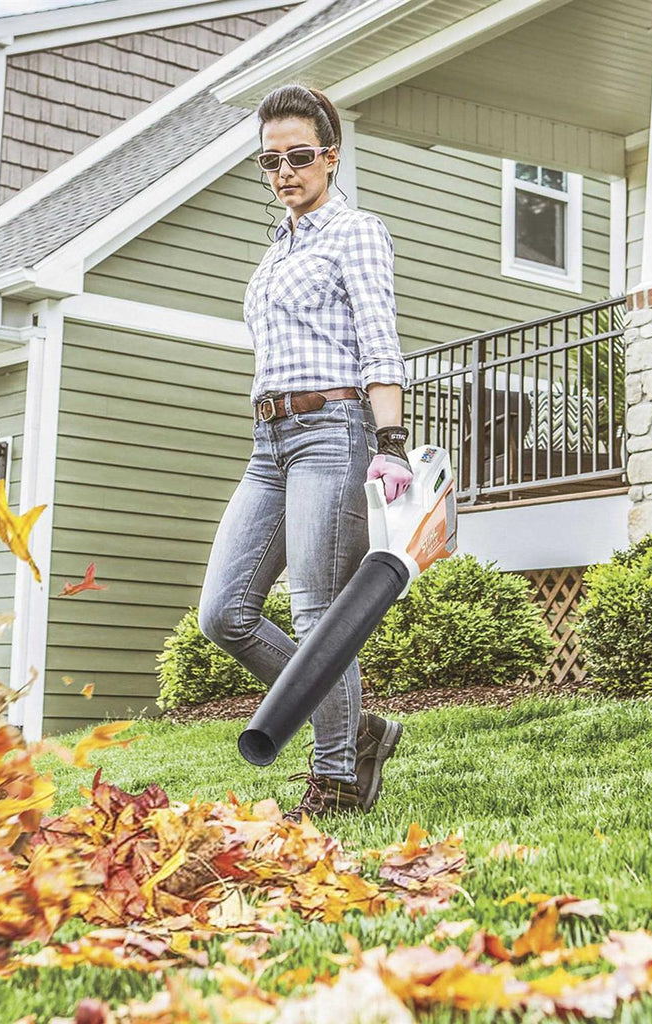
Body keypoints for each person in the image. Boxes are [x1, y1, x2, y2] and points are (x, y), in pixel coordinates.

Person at [197, 83, 413, 823]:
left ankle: (337, 781)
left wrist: (391, 443)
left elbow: (379, 337)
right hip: (270, 440)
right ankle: (355, 731)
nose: (284, 171)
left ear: (330, 154)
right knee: (224, 614)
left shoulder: (355, 231)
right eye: (270, 160)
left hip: (335, 427)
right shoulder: (279, 246)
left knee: (322, 612)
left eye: (298, 156)